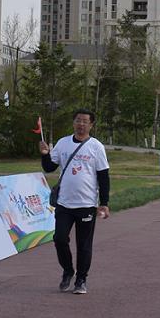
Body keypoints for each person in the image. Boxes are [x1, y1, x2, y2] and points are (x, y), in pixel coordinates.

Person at [40, 109, 111, 294]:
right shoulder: (63, 143)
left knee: (84, 245)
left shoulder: (96, 147)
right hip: (64, 203)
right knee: (59, 238)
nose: (81, 124)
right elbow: (49, 167)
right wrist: (45, 154)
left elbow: (103, 176)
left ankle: (81, 279)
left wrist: (104, 202)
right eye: (78, 120)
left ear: (91, 125)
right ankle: (68, 271)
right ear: (73, 123)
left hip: (87, 204)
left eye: (85, 121)